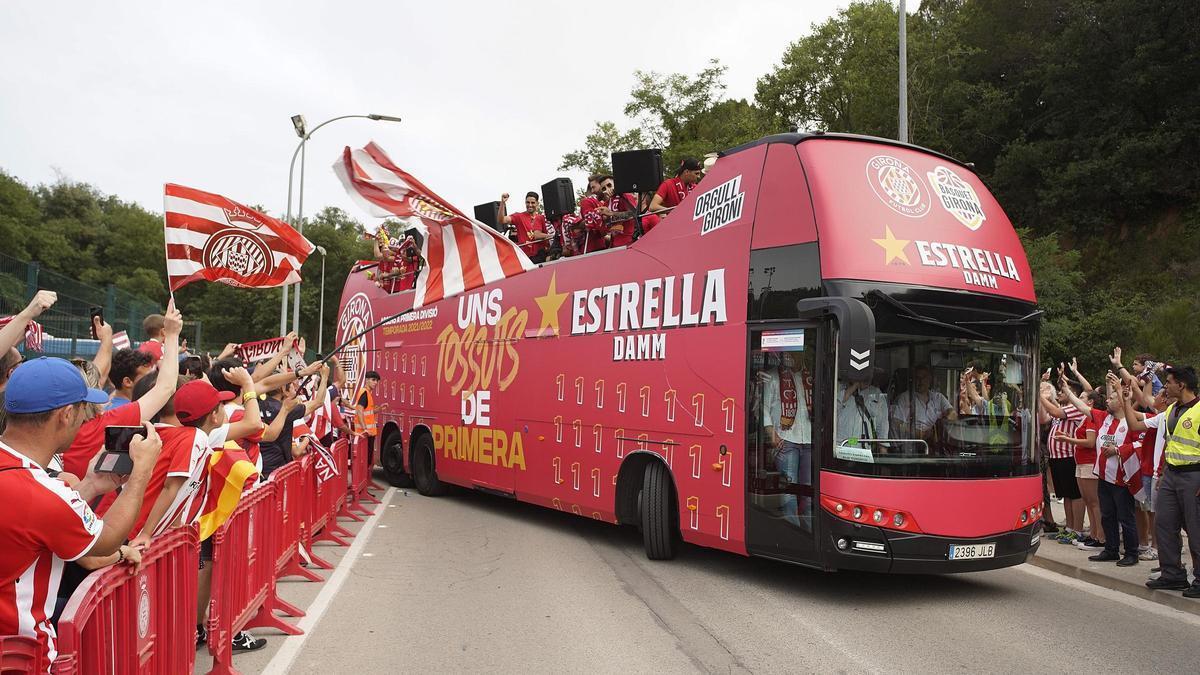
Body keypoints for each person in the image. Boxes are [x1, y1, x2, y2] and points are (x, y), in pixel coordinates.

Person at [0, 357, 162, 667]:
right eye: (83, 410)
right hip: (19, 655)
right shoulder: (41, 490)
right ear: (66, 414)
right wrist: (140, 474)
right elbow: (107, 540)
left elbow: (41, 520)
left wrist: (89, 486)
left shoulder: (33, 482)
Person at [60, 302, 183, 478]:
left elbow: (98, 375)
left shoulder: (42, 431)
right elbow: (165, 388)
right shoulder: (101, 426)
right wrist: (172, 335)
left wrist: (106, 340)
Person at [1126, 365, 1200, 597]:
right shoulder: (1171, 411)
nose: (1165, 386)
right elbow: (1141, 428)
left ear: (1182, 385)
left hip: (1193, 475)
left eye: (1168, 382)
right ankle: (1173, 574)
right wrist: (1164, 472)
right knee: (1164, 524)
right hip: (1172, 475)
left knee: (1196, 529)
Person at [1081, 374, 1144, 566]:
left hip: (1122, 478)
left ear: (1122, 402)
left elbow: (1141, 444)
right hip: (1104, 476)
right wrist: (1066, 389)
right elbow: (1081, 406)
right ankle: (1111, 549)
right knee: (1107, 515)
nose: (1108, 400)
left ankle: (1132, 553)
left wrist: (1118, 450)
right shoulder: (1104, 418)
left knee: (1126, 517)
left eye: (1112, 398)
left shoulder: (1131, 422)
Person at [760, 352, 812, 530]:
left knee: (808, 491)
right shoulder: (774, 376)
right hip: (786, 439)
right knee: (789, 492)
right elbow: (763, 407)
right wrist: (771, 433)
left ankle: (808, 531)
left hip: (809, 441)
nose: (794, 357)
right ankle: (796, 534)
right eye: (790, 354)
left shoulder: (808, 378)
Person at [260, 363, 330, 478]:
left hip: (259, 467)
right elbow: (318, 402)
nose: (295, 386)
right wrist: (325, 377)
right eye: (292, 384)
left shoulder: (256, 404)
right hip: (276, 471)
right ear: (283, 389)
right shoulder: (286, 410)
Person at [1042, 380, 1089, 544]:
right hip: (1057, 458)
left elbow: (1054, 411)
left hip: (1068, 456)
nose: (1060, 393)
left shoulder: (1075, 408)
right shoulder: (1065, 408)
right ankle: (1069, 528)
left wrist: (1039, 396)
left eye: (1064, 391)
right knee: (1066, 494)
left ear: (1073, 395)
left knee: (1075, 495)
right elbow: (1055, 408)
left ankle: (1077, 529)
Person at [889, 365, 953, 441]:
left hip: (937, 443)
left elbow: (953, 414)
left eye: (924, 377)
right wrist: (919, 433)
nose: (921, 381)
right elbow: (897, 424)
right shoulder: (905, 398)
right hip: (914, 445)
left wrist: (939, 426)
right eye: (918, 378)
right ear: (913, 380)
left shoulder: (938, 397)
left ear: (929, 379)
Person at [834, 376, 888, 450]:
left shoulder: (876, 394)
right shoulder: (840, 387)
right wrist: (855, 385)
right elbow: (834, 407)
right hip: (841, 447)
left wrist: (883, 449)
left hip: (863, 450)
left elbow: (882, 424)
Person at [499, 192, 553, 263]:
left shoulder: (542, 218)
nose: (530, 205)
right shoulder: (519, 216)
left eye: (533, 203)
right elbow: (501, 220)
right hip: (527, 259)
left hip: (542, 256)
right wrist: (503, 203)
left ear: (537, 203)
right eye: (528, 202)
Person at [355, 371, 383, 467]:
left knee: (367, 461)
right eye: (373, 380)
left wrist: (378, 410)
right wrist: (365, 429)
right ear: (366, 380)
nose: (375, 382)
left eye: (377, 381)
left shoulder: (367, 394)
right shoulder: (364, 393)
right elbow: (359, 410)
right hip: (365, 434)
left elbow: (367, 412)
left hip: (368, 434)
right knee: (364, 461)